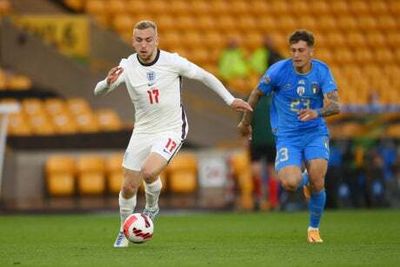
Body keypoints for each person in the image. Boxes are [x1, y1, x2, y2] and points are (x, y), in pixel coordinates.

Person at [94, 20, 252, 248]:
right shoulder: (127, 66)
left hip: (171, 128)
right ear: (133, 41)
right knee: (128, 186)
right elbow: (98, 91)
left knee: (148, 172)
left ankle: (151, 207)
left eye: (148, 40)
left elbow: (205, 76)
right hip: (143, 130)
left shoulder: (172, 61)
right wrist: (107, 83)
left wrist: (230, 99)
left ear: (156, 40)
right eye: (139, 40)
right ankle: (124, 228)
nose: (144, 45)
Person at [238, 29, 341, 243]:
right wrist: (245, 122)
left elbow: (336, 105)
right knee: (290, 183)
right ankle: (303, 181)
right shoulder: (278, 71)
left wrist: (317, 112)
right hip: (287, 135)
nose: (296, 55)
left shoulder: (322, 71)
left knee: (318, 181)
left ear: (311, 51)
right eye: (293, 50)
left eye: (301, 50)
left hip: (315, 132)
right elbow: (256, 93)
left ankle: (313, 228)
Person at [247, 36, 283, 211]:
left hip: (271, 140)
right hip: (256, 140)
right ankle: (258, 198)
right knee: (255, 171)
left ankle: (274, 202)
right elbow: (246, 118)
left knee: (272, 172)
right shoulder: (254, 96)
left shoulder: (277, 98)